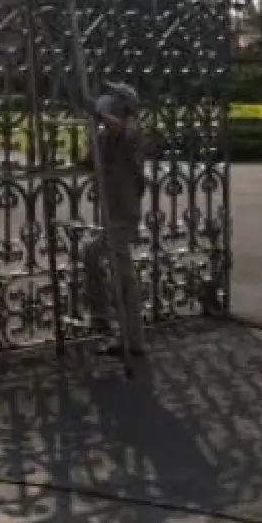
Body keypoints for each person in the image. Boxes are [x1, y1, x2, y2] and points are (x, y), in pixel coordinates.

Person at [82, 83, 152, 357]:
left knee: (122, 276)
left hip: (125, 213)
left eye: (113, 101)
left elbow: (120, 129)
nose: (107, 103)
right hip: (110, 212)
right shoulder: (102, 136)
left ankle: (131, 338)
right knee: (95, 258)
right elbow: (89, 161)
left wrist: (97, 114)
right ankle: (111, 324)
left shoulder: (133, 131)